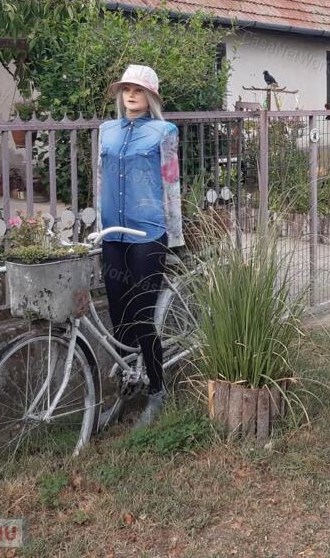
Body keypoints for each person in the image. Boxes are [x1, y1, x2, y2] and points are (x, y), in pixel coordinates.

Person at [97, 64, 183, 429]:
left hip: (148, 234)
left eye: (138, 90)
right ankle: (124, 390)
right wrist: (99, 227)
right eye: (126, 89)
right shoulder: (106, 130)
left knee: (142, 317)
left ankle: (157, 390)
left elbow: (171, 183)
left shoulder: (164, 132)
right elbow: (100, 180)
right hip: (112, 235)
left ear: (150, 97)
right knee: (118, 318)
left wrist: (174, 236)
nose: (131, 95)